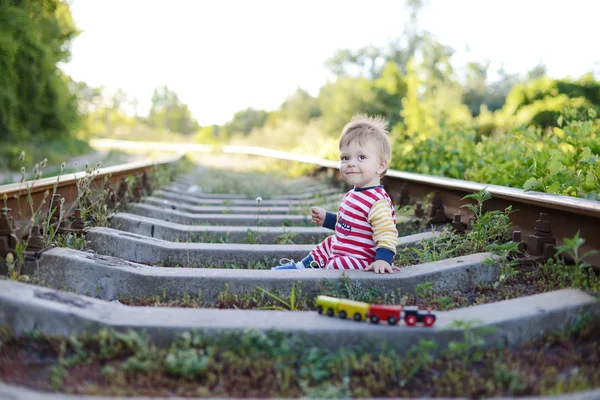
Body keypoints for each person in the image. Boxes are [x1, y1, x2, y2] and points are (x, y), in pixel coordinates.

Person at [273, 114, 400, 274]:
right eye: (345, 158)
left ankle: (321, 275)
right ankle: (300, 267)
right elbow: (348, 226)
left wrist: (382, 260)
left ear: (380, 167)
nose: (351, 163)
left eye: (361, 157)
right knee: (329, 243)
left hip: (365, 259)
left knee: (338, 263)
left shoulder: (377, 201)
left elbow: (386, 232)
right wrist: (327, 218)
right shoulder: (353, 195)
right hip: (348, 250)